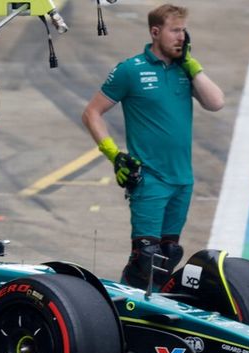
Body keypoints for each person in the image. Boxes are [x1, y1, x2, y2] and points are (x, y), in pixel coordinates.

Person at [82, 3, 224, 289]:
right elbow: (91, 113)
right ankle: (124, 309)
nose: (181, 37)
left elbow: (216, 102)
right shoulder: (130, 70)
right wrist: (114, 155)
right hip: (149, 179)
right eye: (174, 31)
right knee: (145, 258)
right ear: (155, 32)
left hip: (182, 179)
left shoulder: (186, 70)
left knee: (168, 255)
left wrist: (192, 65)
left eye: (183, 30)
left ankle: (153, 311)